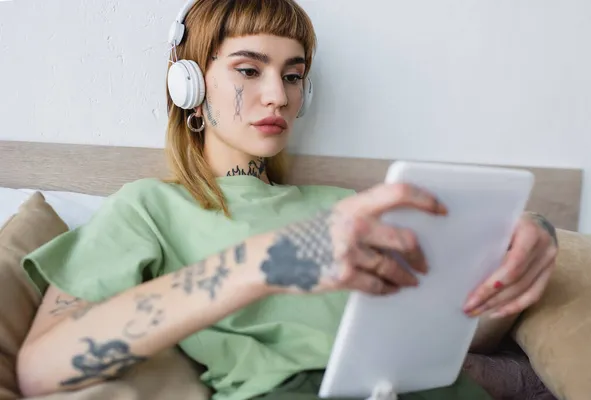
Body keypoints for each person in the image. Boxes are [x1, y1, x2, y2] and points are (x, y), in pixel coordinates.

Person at [16, 0, 559, 399]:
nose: (278, 94)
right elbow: (43, 368)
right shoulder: (150, 207)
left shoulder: (351, 205)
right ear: (190, 88)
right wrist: (270, 261)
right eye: (249, 70)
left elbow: (461, 323)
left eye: (293, 75)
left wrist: (522, 236)